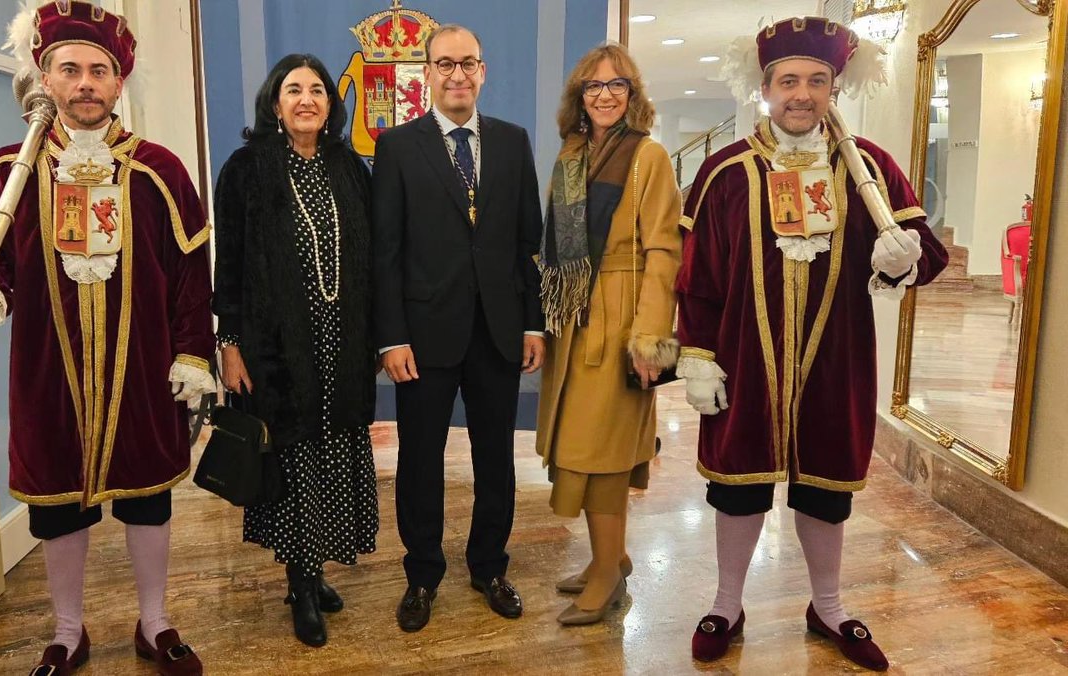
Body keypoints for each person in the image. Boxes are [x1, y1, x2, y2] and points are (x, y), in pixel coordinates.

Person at [0, 3, 213, 674]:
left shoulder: (159, 170)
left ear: (118, 84)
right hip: (47, 371)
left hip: (142, 369)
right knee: (58, 507)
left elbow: (188, 273)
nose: (85, 83)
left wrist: (192, 351)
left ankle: (155, 622)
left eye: (99, 70)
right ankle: (65, 631)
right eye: (70, 70)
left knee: (148, 495)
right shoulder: (11, 170)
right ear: (44, 77)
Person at [676, 17, 949, 671]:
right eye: (789, 80)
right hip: (746, 362)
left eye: (817, 81)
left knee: (826, 489)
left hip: (836, 360)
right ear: (766, 88)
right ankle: (726, 602)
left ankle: (828, 606)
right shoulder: (724, 172)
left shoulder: (873, 169)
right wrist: (697, 355)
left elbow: (924, 257)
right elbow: (698, 278)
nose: (802, 93)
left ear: (835, 86)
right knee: (737, 486)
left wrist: (896, 260)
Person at [372, 24, 544, 632]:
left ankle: (490, 566)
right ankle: (421, 574)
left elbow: (529, 243)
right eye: (445, 64)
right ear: (427, 72)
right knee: (421, 461)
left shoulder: (512, 141)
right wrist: (390, 337)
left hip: (498, 331)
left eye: (468, 63)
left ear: (483, 70)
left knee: (496, 458)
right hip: (422, 338)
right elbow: (385, 252)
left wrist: (533, 324)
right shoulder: (396, 147)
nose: (457, 75)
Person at [212, 53, 378, 649]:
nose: (306, 99)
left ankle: (315, 568)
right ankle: (301, 583)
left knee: (333, 453)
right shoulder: (246, 168)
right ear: (274, 103)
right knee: (292, 458)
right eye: (293, 89)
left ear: (332, 103)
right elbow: (228, 263)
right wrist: (229, 344)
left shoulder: (351, 167)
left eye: (316, 90)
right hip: (276, 348)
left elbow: (374, 257)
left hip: (344, 343)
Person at [534, 43, 681, 626]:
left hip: (620, 317)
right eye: (593, 87)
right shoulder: (570, 156)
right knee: (578, 445)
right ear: (579, 96)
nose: (604, 95)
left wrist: (649, 338)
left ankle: (606, 573)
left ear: (632, 95)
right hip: (573, 319)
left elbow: (664, 250)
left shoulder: (649, 157)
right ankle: (610, 557)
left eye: (616, 85)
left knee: (604, 455)